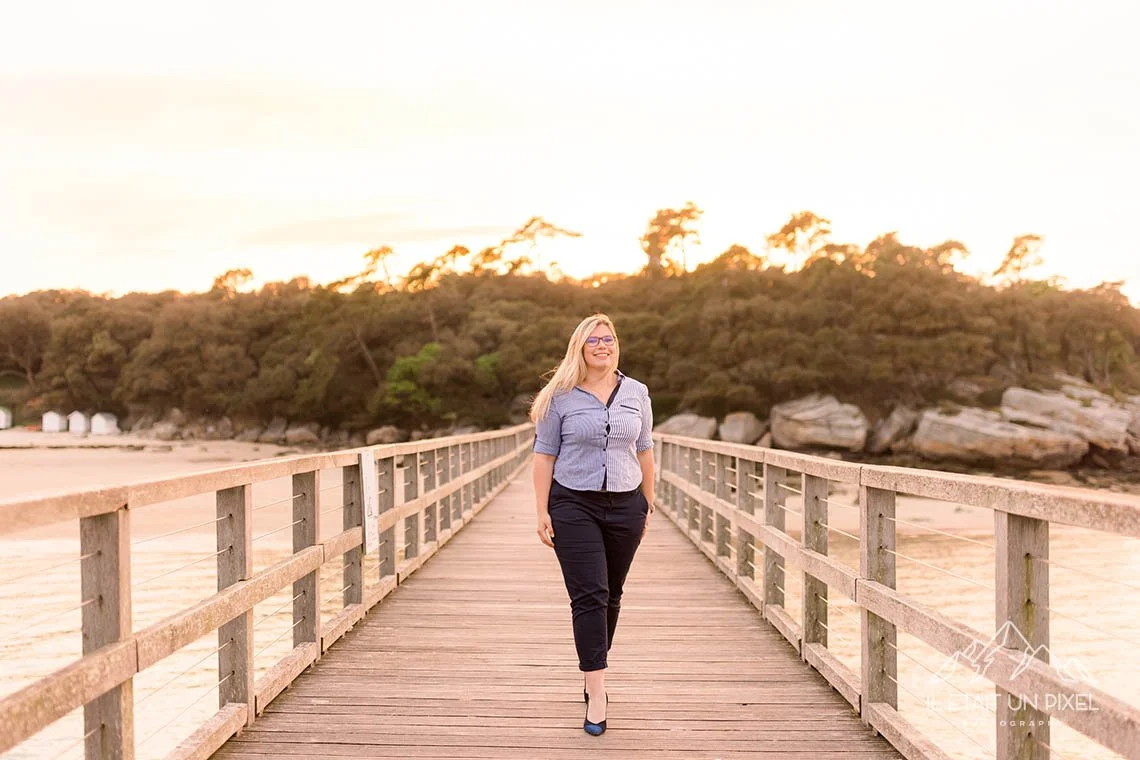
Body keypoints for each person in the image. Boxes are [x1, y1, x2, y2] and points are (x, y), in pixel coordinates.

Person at [530, 313, 655, 736]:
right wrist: (542, 510)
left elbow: (645, 450)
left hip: (626, 504)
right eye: (594, 340)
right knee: (590, 595)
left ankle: (591, 670)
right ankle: (598, 691)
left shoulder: (637, 392)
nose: (603, 346)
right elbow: (544, 455)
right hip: (573, 504)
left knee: (612, 595)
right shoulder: (559, 397)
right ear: (579, 349)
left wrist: (648, 504)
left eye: (609, 339)